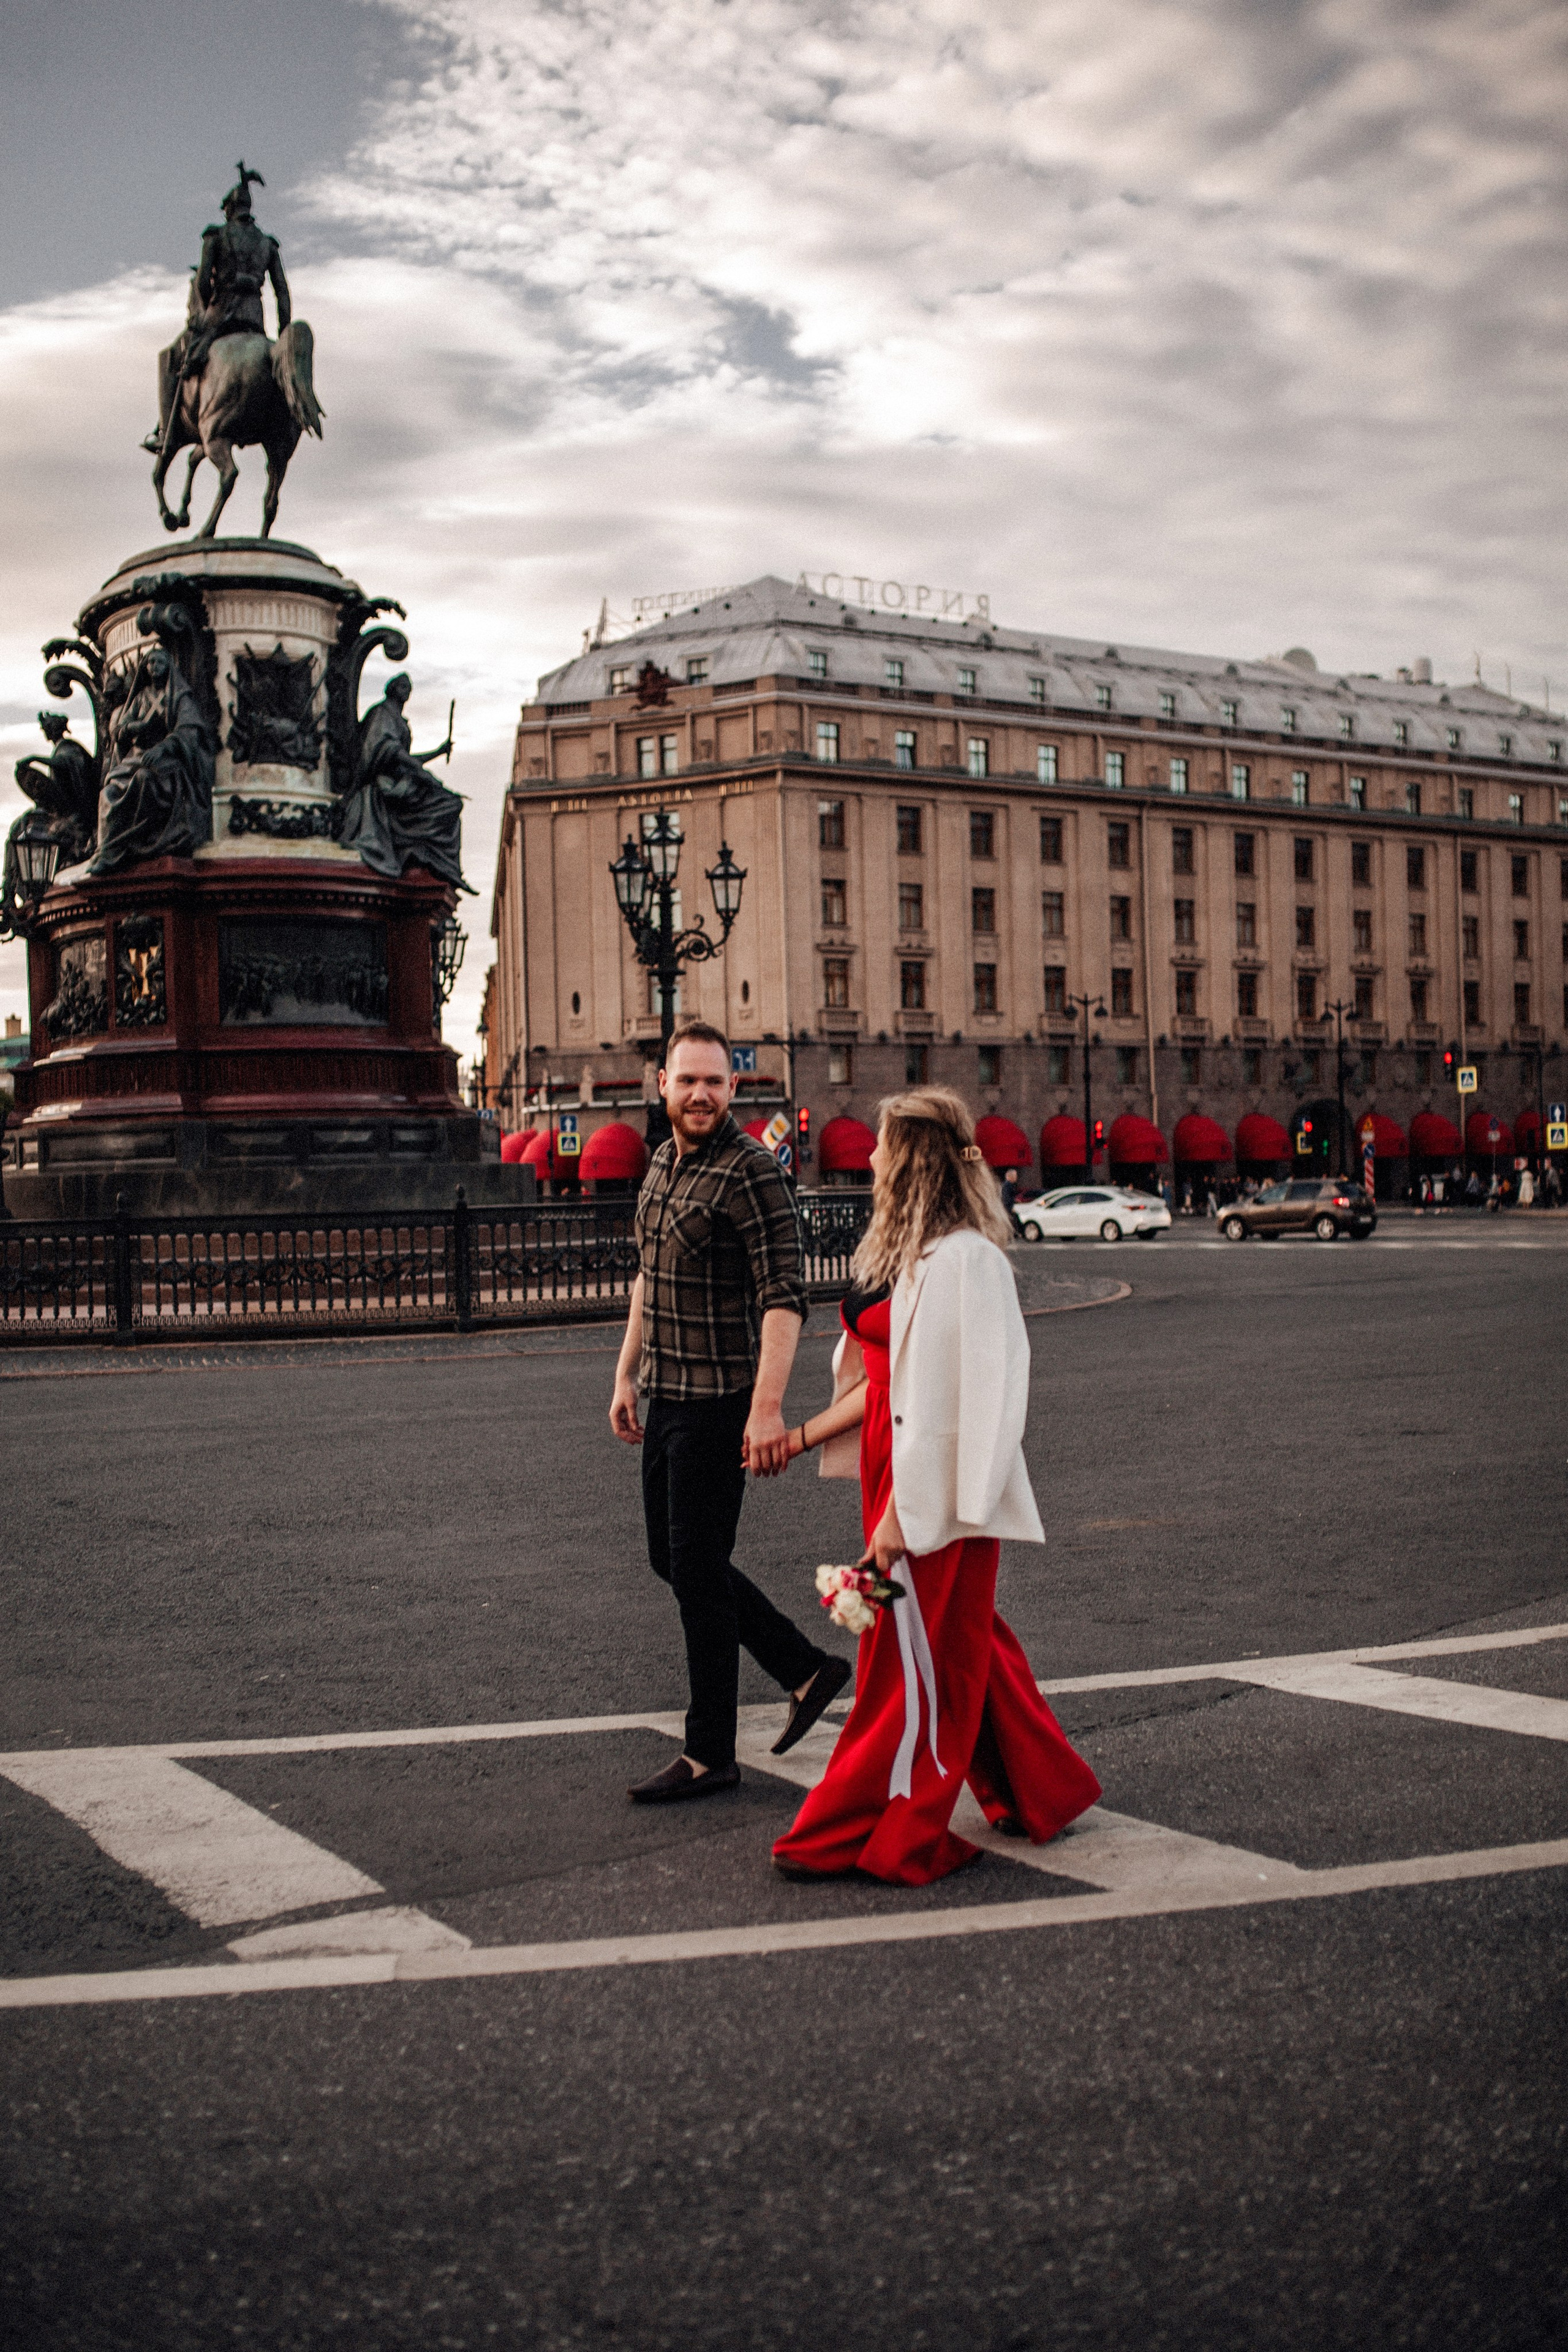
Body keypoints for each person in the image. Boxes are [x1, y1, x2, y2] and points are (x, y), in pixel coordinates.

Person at [771, 1087, 1101, 1885]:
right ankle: (1042, 1788)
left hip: (934, 1488)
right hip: (897, 1472)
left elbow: (971, 1402)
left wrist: (905, 1515)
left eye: (883, 1145)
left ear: (913, 1160)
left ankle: (871, 1829)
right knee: (957, 1641)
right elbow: (885, 1381)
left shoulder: (965, 1261)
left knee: (907, 1664)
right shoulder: (910, 1254)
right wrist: (806, 1439)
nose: (870, 1157)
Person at [610, 1020, 848, 1804]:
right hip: (665, 1396)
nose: (700, 1094)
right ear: (663, 1085)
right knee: (675, 1560)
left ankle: (709, 1751)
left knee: (696, 1571)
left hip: (720, 1404)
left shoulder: (752, 1174)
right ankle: (804, 1668)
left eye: (714, 1082)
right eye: (687, 1080)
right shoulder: (660, 1165)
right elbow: (647, 1277)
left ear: (733, 1088)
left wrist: (766, 1411)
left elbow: (784, 1298)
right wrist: (624, 1374)